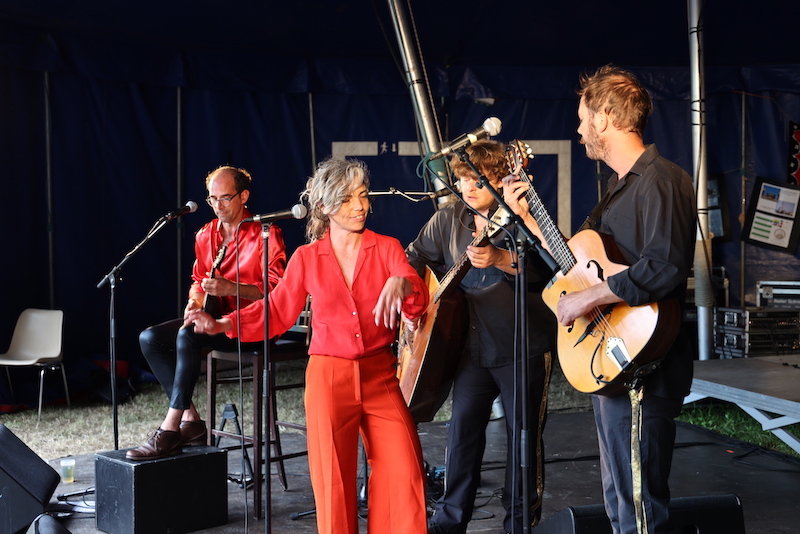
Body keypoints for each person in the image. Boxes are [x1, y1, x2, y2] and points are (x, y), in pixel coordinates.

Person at [188, 157, 430, 534]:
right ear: (323, 207)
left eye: (363, 195)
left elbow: (417, 304)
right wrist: (223, 323)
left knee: (404, 472)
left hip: (381, 376)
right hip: (328, 378)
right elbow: (276, 310)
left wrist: (404, 283)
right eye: (347, 198)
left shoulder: (388, 249)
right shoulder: (306, 258)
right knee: (333, 485)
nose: (359, 206)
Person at [504, 65, 696, 534]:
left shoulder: (662, 180)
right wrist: (530, 221)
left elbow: (664, 268)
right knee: (620, 502)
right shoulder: (616, 190)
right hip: (615, 363)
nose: (578, 128)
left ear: (606, 117)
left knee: (642, 506)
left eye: (583, 117)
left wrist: (589, 299)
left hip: (646, 363)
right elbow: (579, 265)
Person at [406, 139, 557, 534]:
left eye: (479, 180)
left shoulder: (520, 216)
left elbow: (553, 269)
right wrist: (415, 301)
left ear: (500, 179)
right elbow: (414, 257)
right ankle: (450, 520)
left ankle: (519, 522)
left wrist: (501, 259)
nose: (469, 188)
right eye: (463, 180)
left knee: (523, 439)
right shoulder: (449, 218)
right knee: (462, 432)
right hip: (472, 346)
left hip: (522, 344)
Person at [127, 165, 287, 460]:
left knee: (188, 335)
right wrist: (195, 302)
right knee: (150, 338)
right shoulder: (204, 235)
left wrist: (231, 288)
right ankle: (192, 420)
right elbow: (198, 282)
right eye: (213, 199)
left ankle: (170, 429)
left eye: (225, 198)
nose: (218, 206)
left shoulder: (266, 232)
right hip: (213, 320)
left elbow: (276, 290)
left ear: (244, 196)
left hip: (254, 326)